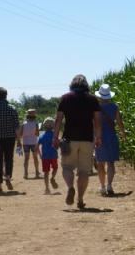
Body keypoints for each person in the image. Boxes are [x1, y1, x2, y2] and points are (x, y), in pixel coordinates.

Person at [52, 74, 102, 209]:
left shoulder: (66, 98)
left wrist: (55, 137)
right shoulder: (92, 99)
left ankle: (70, 187)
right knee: (84, 171)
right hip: (87, 139)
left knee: (67, 167)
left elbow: (58, 119)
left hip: (69, 139)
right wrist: (98, 137)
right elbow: (97, 120)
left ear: (72, 85)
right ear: (86, 85)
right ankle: (80, 199)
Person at [94, 84, 126, 196]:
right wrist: (123, 134)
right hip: (111, 136)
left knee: (100, 163)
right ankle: (109, 185)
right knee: (111, 163)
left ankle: (102, 187)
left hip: (99, 137)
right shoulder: (115, 107)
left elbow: (93, 124)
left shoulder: (95, 108)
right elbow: (119, 122)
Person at [0, 87, 20, 194]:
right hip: (10, 138)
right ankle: (8, 177)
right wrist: (18, 140)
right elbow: (16, 126)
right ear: (6, 95)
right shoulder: (12, 108)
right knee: (9, 158)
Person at [38, 117, 59, 194]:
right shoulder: (55, 135)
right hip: (54, 155)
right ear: (53, 126)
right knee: (55, 168)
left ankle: (47, 189)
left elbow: (37, 147)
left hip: (45, 157)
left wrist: (40, 155)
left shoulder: (42, 136)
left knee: (46, 173)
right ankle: (52, 177)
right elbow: (58, 144)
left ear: (44, 126)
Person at [20, 108, 41, 179]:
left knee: (26, 159)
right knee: (35, 158)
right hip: (34, 142)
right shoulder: (36, 123)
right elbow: (37, 134)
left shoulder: (23, 123)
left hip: (25, 142)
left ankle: (25, 173)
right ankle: (37, 172)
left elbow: (20, 134)